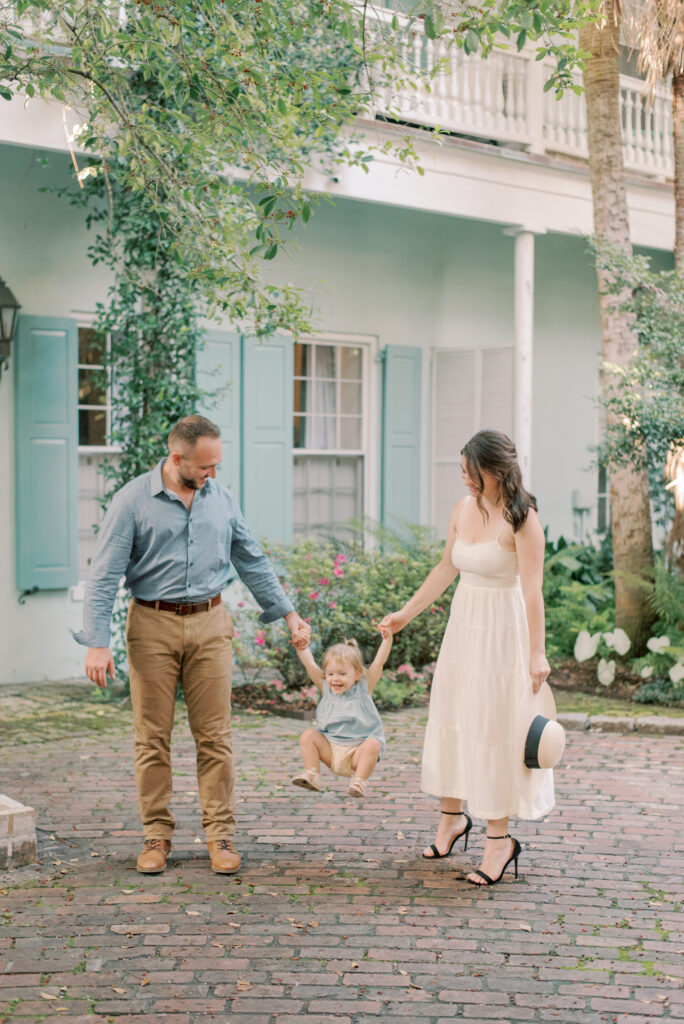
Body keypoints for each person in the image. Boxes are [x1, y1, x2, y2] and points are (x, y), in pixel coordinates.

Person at [75, 415, 310, 876]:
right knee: (152, 739)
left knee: (216, 737)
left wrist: (288, 612)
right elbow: (103, 576)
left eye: (217, 466)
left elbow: (251, 559)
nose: (213, 476)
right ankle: (156, 836)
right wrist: (96, 643)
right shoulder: (132, 502)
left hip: (210, 623)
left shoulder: (221, 500)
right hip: (152, 624)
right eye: (205, 467)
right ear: (177, 457)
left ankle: (219, 835)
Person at [380, 430, 553, 886]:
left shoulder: (524, 519)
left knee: (494, 729)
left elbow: (533, 591)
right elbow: (445, 567)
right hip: (464, 628)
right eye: (462, 472)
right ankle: (452, 819)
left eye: (471, 474)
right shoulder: (461, 509)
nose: (465, 481)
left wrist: (537, 652)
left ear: (496, 472)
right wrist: (404, 614)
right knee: (455, 718)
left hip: (503, 633)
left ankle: (499, 843)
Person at [290, 630, 393, 798]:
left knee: (374, 744)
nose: (335, 679)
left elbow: (379, 662)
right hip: (330, 750)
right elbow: (310, 665)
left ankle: (359, 781)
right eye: (330, 674)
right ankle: (312, 775)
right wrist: (302, 647)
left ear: (357, 673)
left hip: (356, 754)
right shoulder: (326, 688)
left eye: (342, 674)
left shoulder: (363, 688)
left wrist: (387, 640)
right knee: (308, 735)